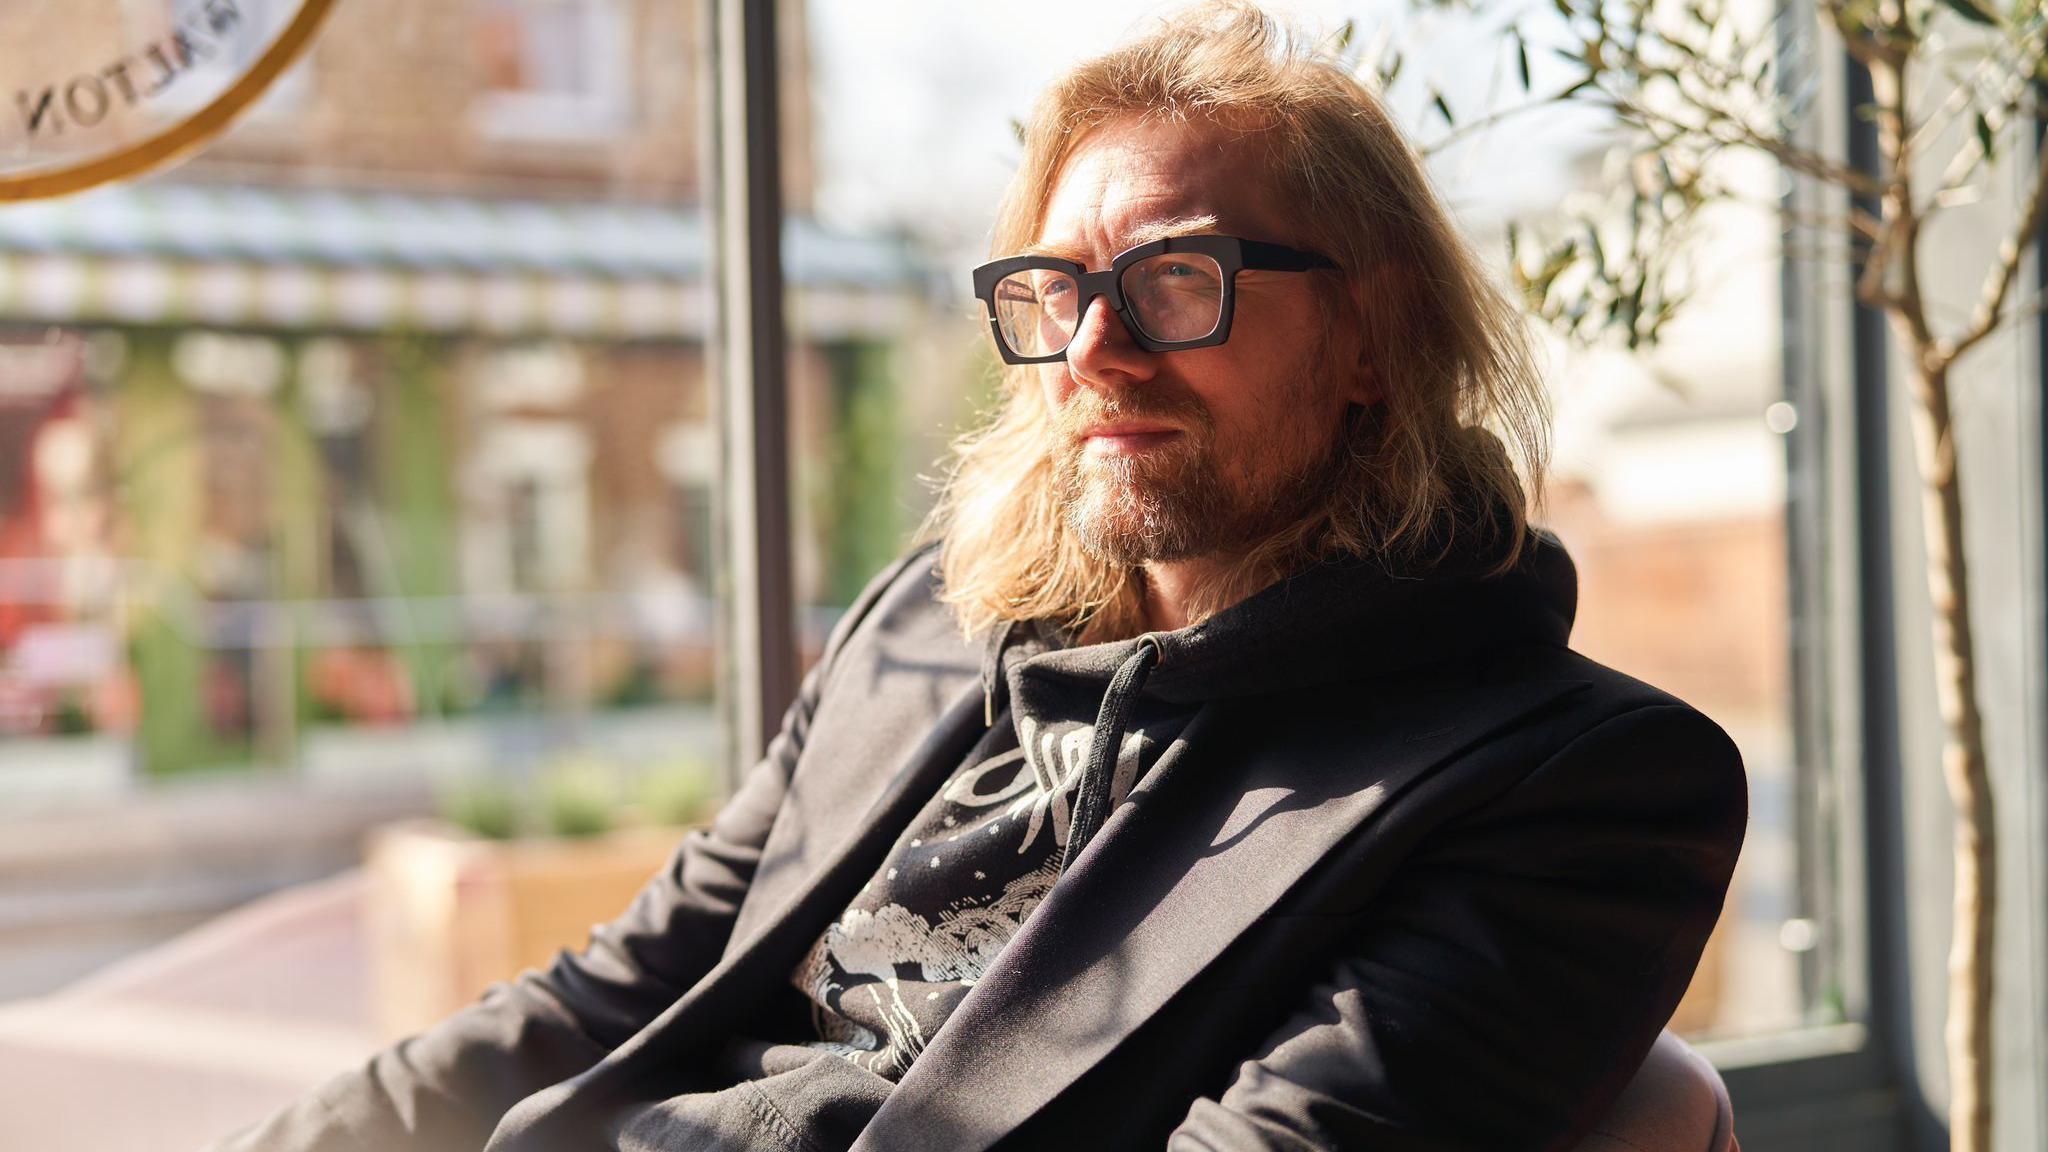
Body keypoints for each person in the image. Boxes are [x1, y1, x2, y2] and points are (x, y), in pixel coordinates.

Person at [212, 3, 1747, 1149]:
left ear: (1371, 337)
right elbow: (627, 984)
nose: (1095, 350)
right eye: (1057, 290)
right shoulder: (931, 636)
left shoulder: (1572, 785)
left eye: (1174, 280)